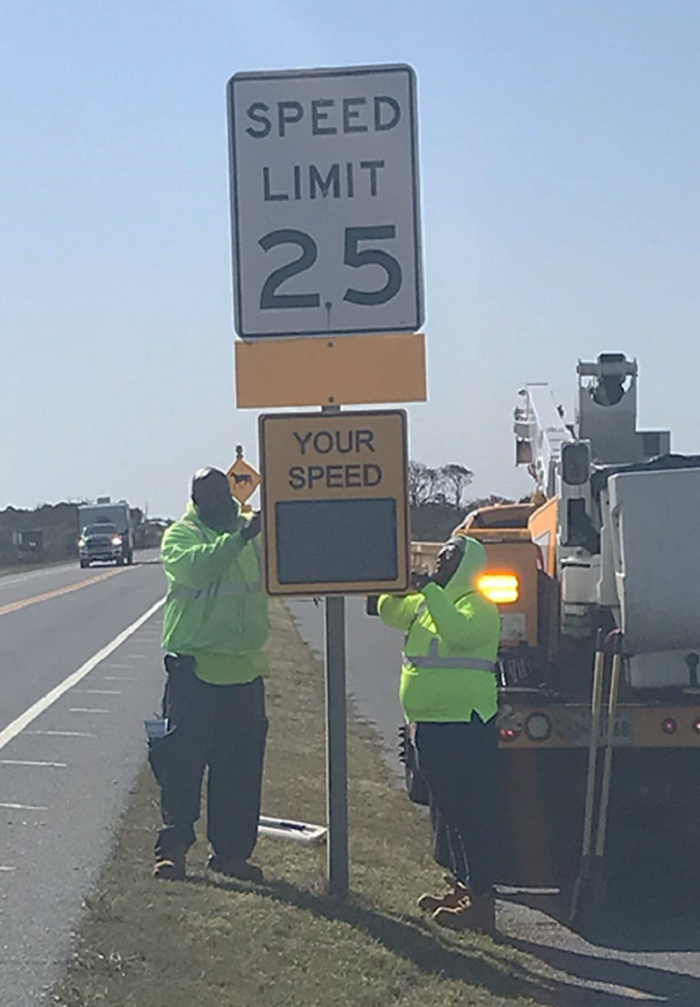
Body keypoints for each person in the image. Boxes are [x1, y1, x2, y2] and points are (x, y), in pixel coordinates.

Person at [148, 467, 269, 882]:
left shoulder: (249, 533)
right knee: (181, 766)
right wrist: (239, 538)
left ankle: (232, 853)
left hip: (244, 669)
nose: (222, 504)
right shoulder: (182, 535)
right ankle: (174, 850)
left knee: (240, 769)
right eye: (212, 498)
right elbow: (197, 571)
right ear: (196, 501)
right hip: (194, 670)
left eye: (226, 495)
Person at [377, 534, 502, 932]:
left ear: (467, 564)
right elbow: (388, 611)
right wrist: (396, 583)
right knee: (449, 812)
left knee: (469, 814)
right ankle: (466, 886)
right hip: (430, 723)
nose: (440, 560)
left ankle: (482, 901)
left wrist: (430, 590)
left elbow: (458, 635)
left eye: (449, 555)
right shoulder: (429, 603)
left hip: (464, 723)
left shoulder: (479, 605)